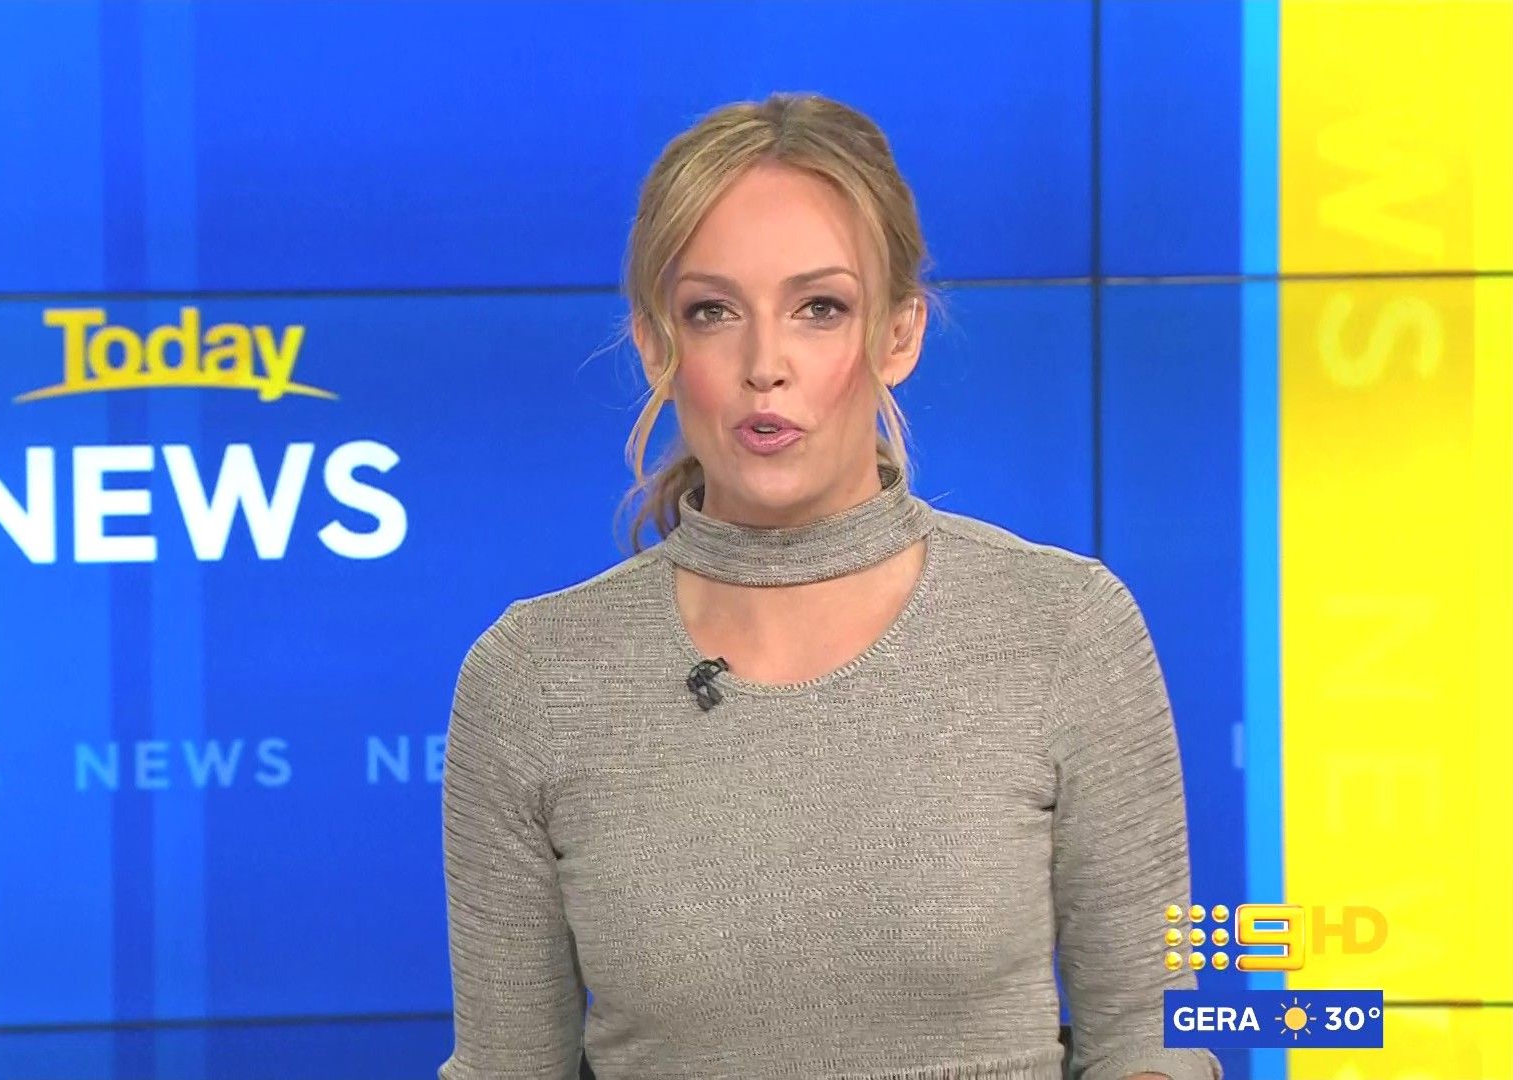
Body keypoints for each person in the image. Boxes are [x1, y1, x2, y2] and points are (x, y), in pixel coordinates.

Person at [439, 92, 1218, 1080]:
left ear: (899, 334)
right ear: (656, 346)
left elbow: (1152, 1040)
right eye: (713, 312)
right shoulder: (533, 680)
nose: (765, 366)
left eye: (820, 308)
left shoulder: (1064, 628)